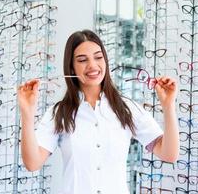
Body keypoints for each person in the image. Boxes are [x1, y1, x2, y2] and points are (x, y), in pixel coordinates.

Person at [18, 29, 179, 194]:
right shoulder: (60, 113)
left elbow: (169, 154)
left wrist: (168, 106)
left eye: (98, 57)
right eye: (82, 60)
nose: (92, 65)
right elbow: (32, 163)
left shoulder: (127, 108)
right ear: (71, 68)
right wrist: (27, 114)